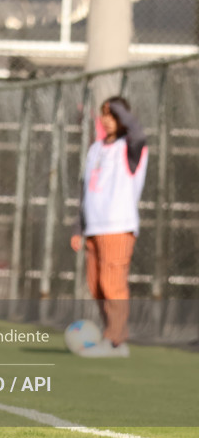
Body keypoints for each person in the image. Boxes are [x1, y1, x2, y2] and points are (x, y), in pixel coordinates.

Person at [70, 96, 147, 358]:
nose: (107, 118)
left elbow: (137, 131)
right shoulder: (95, 149)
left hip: (118, 226)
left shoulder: (131, 146)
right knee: (97, 287)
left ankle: (115, 341)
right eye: (104, 113)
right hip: (94, 227)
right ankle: (109, 335)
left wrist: (118, 108)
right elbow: (84, 191)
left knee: (113, 285)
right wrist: (77, 228)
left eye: (112, 114)